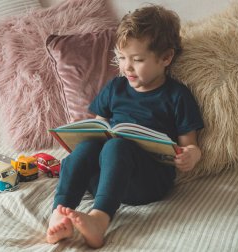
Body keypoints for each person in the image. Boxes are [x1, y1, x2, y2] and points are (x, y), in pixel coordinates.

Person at [46, 4, 204, 249]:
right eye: (121, 58)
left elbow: (190, 144)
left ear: (166, 58)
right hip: (104, 179)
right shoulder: (116, 87)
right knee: (89, 148)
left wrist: (190, 156)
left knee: (117, 147)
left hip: (147, 181)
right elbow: (99, 126)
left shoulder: (176, 95)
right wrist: (87, 137)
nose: (127, 67)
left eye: (137, 60)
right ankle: (59, 213)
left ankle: (99, 220)